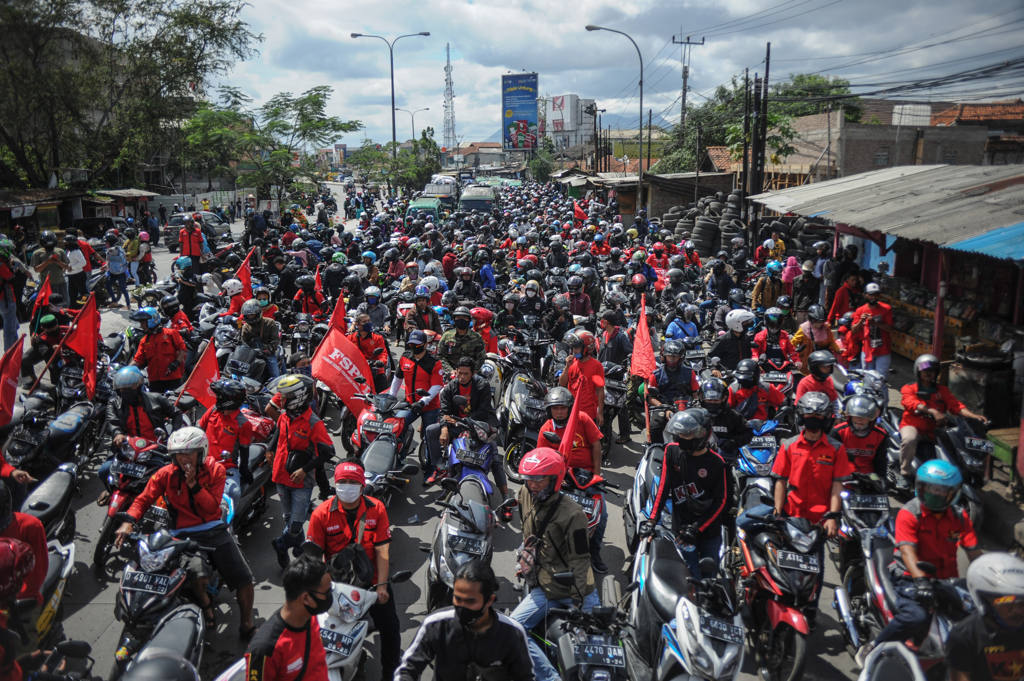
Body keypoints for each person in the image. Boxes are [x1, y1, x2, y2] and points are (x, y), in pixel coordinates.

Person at [115, 427, 257, 638]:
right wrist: (129, 521)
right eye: (178, 454)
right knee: (192, 573)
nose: (183, 459)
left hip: (211, 528)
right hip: (179, 533)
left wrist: (194, 486)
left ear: (201, 452)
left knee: (244, 579)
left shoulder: (216, 471)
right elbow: (144, 498)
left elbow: (211, 509)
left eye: (188, 453)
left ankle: (247, 622)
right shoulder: (165, 474)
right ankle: (206, 606)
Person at [856, 459, 981, 666]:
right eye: (932, 489)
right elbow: (907, 551)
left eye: (943, 490)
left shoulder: (959, 516)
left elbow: (975, 552)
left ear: (954, 492)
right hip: (909, 578)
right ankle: (875, 648)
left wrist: (990, 579)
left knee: (974, 616)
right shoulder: (909, 513)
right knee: (916, 616)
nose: (937, 494)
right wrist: (920, 580)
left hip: (944, 580)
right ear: (920, 488)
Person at [305, 460, 400, 680]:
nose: (347, 487)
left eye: (352, 482)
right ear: (336, 484)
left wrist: (383, 585)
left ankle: (390, 673)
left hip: (373, 582)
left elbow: (382, 549)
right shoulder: (321, 514)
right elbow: (315, 555)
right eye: (343, 482)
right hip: (336, 586)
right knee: (324, 632)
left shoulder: (376, 508)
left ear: (361, 485)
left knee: (391, 628)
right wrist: (321, 586)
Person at [511, 447, 598, 681]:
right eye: (529, 479)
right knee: (512, 629)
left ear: (555, 479)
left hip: (573, 589)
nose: (533, 485)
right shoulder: (525, 493)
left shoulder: (574, 514)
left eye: (540, 479)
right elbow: (526, 531)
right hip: (545, 585)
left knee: (594, 649)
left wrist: (579, 603)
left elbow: (581, 560)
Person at [396, 559, 533, 681]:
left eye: (470, 601)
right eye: (458, 598)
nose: (462, 606)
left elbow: (525, 676)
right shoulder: (436, 624)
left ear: (489, 600)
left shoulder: (512, 632)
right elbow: (408, 668)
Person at [646, 409, 729, 576]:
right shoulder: (671, 451)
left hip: (708, 530)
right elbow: (663, 487)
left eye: (687, 436)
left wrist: (697, 529)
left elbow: (721, 502)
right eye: (680, 435)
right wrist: (651, 520)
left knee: (708, 577)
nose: (681, 440)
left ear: (701, 436)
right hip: (681, 529)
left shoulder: (717, 463)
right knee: (687, 576)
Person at [536, 386, 606, 572]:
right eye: (555, 408)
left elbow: (596, 444)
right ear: (549, 410)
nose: (559, 412)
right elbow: (542, 457)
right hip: (561, 479)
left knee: (601, 515)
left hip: (587, 476)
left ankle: (595, 552)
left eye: (563, 408)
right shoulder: (546, 429)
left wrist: (597, 475)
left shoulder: (582, 419)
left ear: (569, 408)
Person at [269, 375, 334, 568]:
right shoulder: (284, 416)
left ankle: (281, 545)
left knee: (296, 524)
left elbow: (328, 452)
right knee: (289, 519)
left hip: (300, 482)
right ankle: (299, 549)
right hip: (280, 475)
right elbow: (278, 434)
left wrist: (304, 470)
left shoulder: (314, 422)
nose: (281, 399)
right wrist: (269, 449)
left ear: (298, 397)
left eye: (286, 396)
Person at [897, 353, 988, 491]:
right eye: (925, 371)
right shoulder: (910, 388)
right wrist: (932, 411)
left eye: (932, 371)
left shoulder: (942, 390)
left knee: (955, 444)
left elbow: (956, 406)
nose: (929, 374)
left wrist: (974, 416)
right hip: (913, 426)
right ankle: (904, 472)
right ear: (918, 371)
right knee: (910, 439)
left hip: (934, 430)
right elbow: (910, 403)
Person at [245, 555, 330, 681]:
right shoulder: (264, 649)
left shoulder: (310, 617)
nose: (330, 596)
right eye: (327, 592)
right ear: (306, 598)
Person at [423, 357, 501, 488]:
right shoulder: (449, 388)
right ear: (456, 371)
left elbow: (484, 410)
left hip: (478, 425)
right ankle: (440, 468)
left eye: (466, 374)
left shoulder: (482, 386)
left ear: (473, 374)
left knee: (494, 454)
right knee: (431, 430)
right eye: (460, 373)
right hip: (455, 424)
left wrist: (466, 421)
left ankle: (504, 494)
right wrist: (444, 428)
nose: (462, 377)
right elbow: (444, 412)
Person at [946, 552, 1024, 681]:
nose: (1018, 611)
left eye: (1022, 603)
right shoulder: (964, 636)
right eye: (1007, 601)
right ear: (984, 600)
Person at [199, 379, 260, 510]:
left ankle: (227, 528)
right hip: (202, 464)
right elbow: (198, 431)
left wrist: (244, 470)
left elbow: (244, 451)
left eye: (220, 397)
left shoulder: (243, 424)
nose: (217, 400)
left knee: (233, 493)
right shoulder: (212, 411)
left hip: (226, 468)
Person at [649, 340, 700, 441]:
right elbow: (650, 397)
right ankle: (656, 447)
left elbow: (695, 393)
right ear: (664, 356)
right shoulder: (656, 375)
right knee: (655, 426)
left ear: (680, 357)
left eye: (675, 356)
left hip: (686, 407)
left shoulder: (690, 373)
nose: (671, 359)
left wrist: (696, 404)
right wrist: (662, 406)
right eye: (669, 356)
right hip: (664, 407)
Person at [596, 310, 633, 444]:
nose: (601, 323)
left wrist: (629, 366)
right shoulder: (603, 334)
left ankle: (625, 434)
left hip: (617, 376)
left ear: (608, 322)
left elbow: (630, 352)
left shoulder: (621, 336)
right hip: (602, 375)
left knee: (621, 405)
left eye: (603, 320)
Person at [831, 395, 889, 478]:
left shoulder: (880, 435)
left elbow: (880, 463)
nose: (859, 420)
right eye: (856, 416)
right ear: (850, 417)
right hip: (843, 477)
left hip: (869, 478)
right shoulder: (838, 432)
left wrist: (880, 480)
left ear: (871, 418)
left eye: (864, 417)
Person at [131, 307, 187, 392]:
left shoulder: (171, 333)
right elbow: (137, 360)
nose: (141, 325)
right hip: (155, 382)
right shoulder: (144, 341)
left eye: (143, 322)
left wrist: (176, 363)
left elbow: (182, 350)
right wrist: (125, 371)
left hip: (172, 380)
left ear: (151, 321)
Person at [699, 377, 752, 463]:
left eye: (716, 400)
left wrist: (733, 442)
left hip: (726, 460)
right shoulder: (696, 414)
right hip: (699, 457)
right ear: (702, 397)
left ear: (724, 398)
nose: (712, 402)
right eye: (709, 400)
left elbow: (748, 433)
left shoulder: (733, 416)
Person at [558, 330, 605, 427]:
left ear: (587, 348)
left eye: (577, 348)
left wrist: (600, 412)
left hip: (587, 413)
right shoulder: (572, 362)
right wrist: (567, 367)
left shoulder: (596, 366)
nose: (574, 351)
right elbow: (562, 383)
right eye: (573, 348)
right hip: (571, 410)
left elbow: (600, 390)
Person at [853, 282, 893, 376]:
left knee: (880, 380)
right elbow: (853, 330)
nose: (873, 297)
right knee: (867, 379)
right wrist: (861, 321)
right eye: (871, 295)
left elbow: (890, 329)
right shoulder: (860, 310)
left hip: (883, 351)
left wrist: (875, 323)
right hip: (867, 351)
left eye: (876, 295)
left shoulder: (886, 309)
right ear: (865, 295)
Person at [791, 304, 840, 373]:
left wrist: (838, 350)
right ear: (811, 319)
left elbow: (831, 342)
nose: (820, 324)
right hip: (806, 365)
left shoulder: (826, 329)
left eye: (821, 322)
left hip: (821, 365)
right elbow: (793, 343)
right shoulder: (804, 329)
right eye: (817, 322)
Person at [240, 299, 282, 379]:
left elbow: (275, 340)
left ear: (258, 313)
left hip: (267, 353)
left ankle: (277, 386)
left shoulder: (270, 323)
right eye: (248, 315)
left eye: (252, 315)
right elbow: (243, 342)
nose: (250, 317)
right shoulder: (245, 327)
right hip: (251, 354)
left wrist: (267, 349)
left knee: (275, 374)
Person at [29, 231, 70, 312]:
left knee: (65, 304)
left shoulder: (60, 251)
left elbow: (67, 267)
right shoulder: (37, 253)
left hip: (61, 283)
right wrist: (47, 262)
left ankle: (65, 322)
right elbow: (37, 270)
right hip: (47, 285)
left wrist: (57, 261)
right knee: (50, 307)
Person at [347, 313, 389, 392]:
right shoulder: (350, 338)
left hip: (375, 369)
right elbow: (346, 352)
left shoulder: (377, 338)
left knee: (383, 393)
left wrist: (380, 362)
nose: (368, 323)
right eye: (364, 322)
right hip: (356, 369)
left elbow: (383, 354)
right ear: (357, 324)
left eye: (369, 321)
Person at [438, 306, 486, 373]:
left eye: (464, 318)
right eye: (458, 318)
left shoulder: (476, 337)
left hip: (470, 373)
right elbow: (440, 356)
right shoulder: (447, 336)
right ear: (454, 319)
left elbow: (481, 357)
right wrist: (450, 371)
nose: (461, 320)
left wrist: (471, 371)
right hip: (450, 373)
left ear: (469, 320)